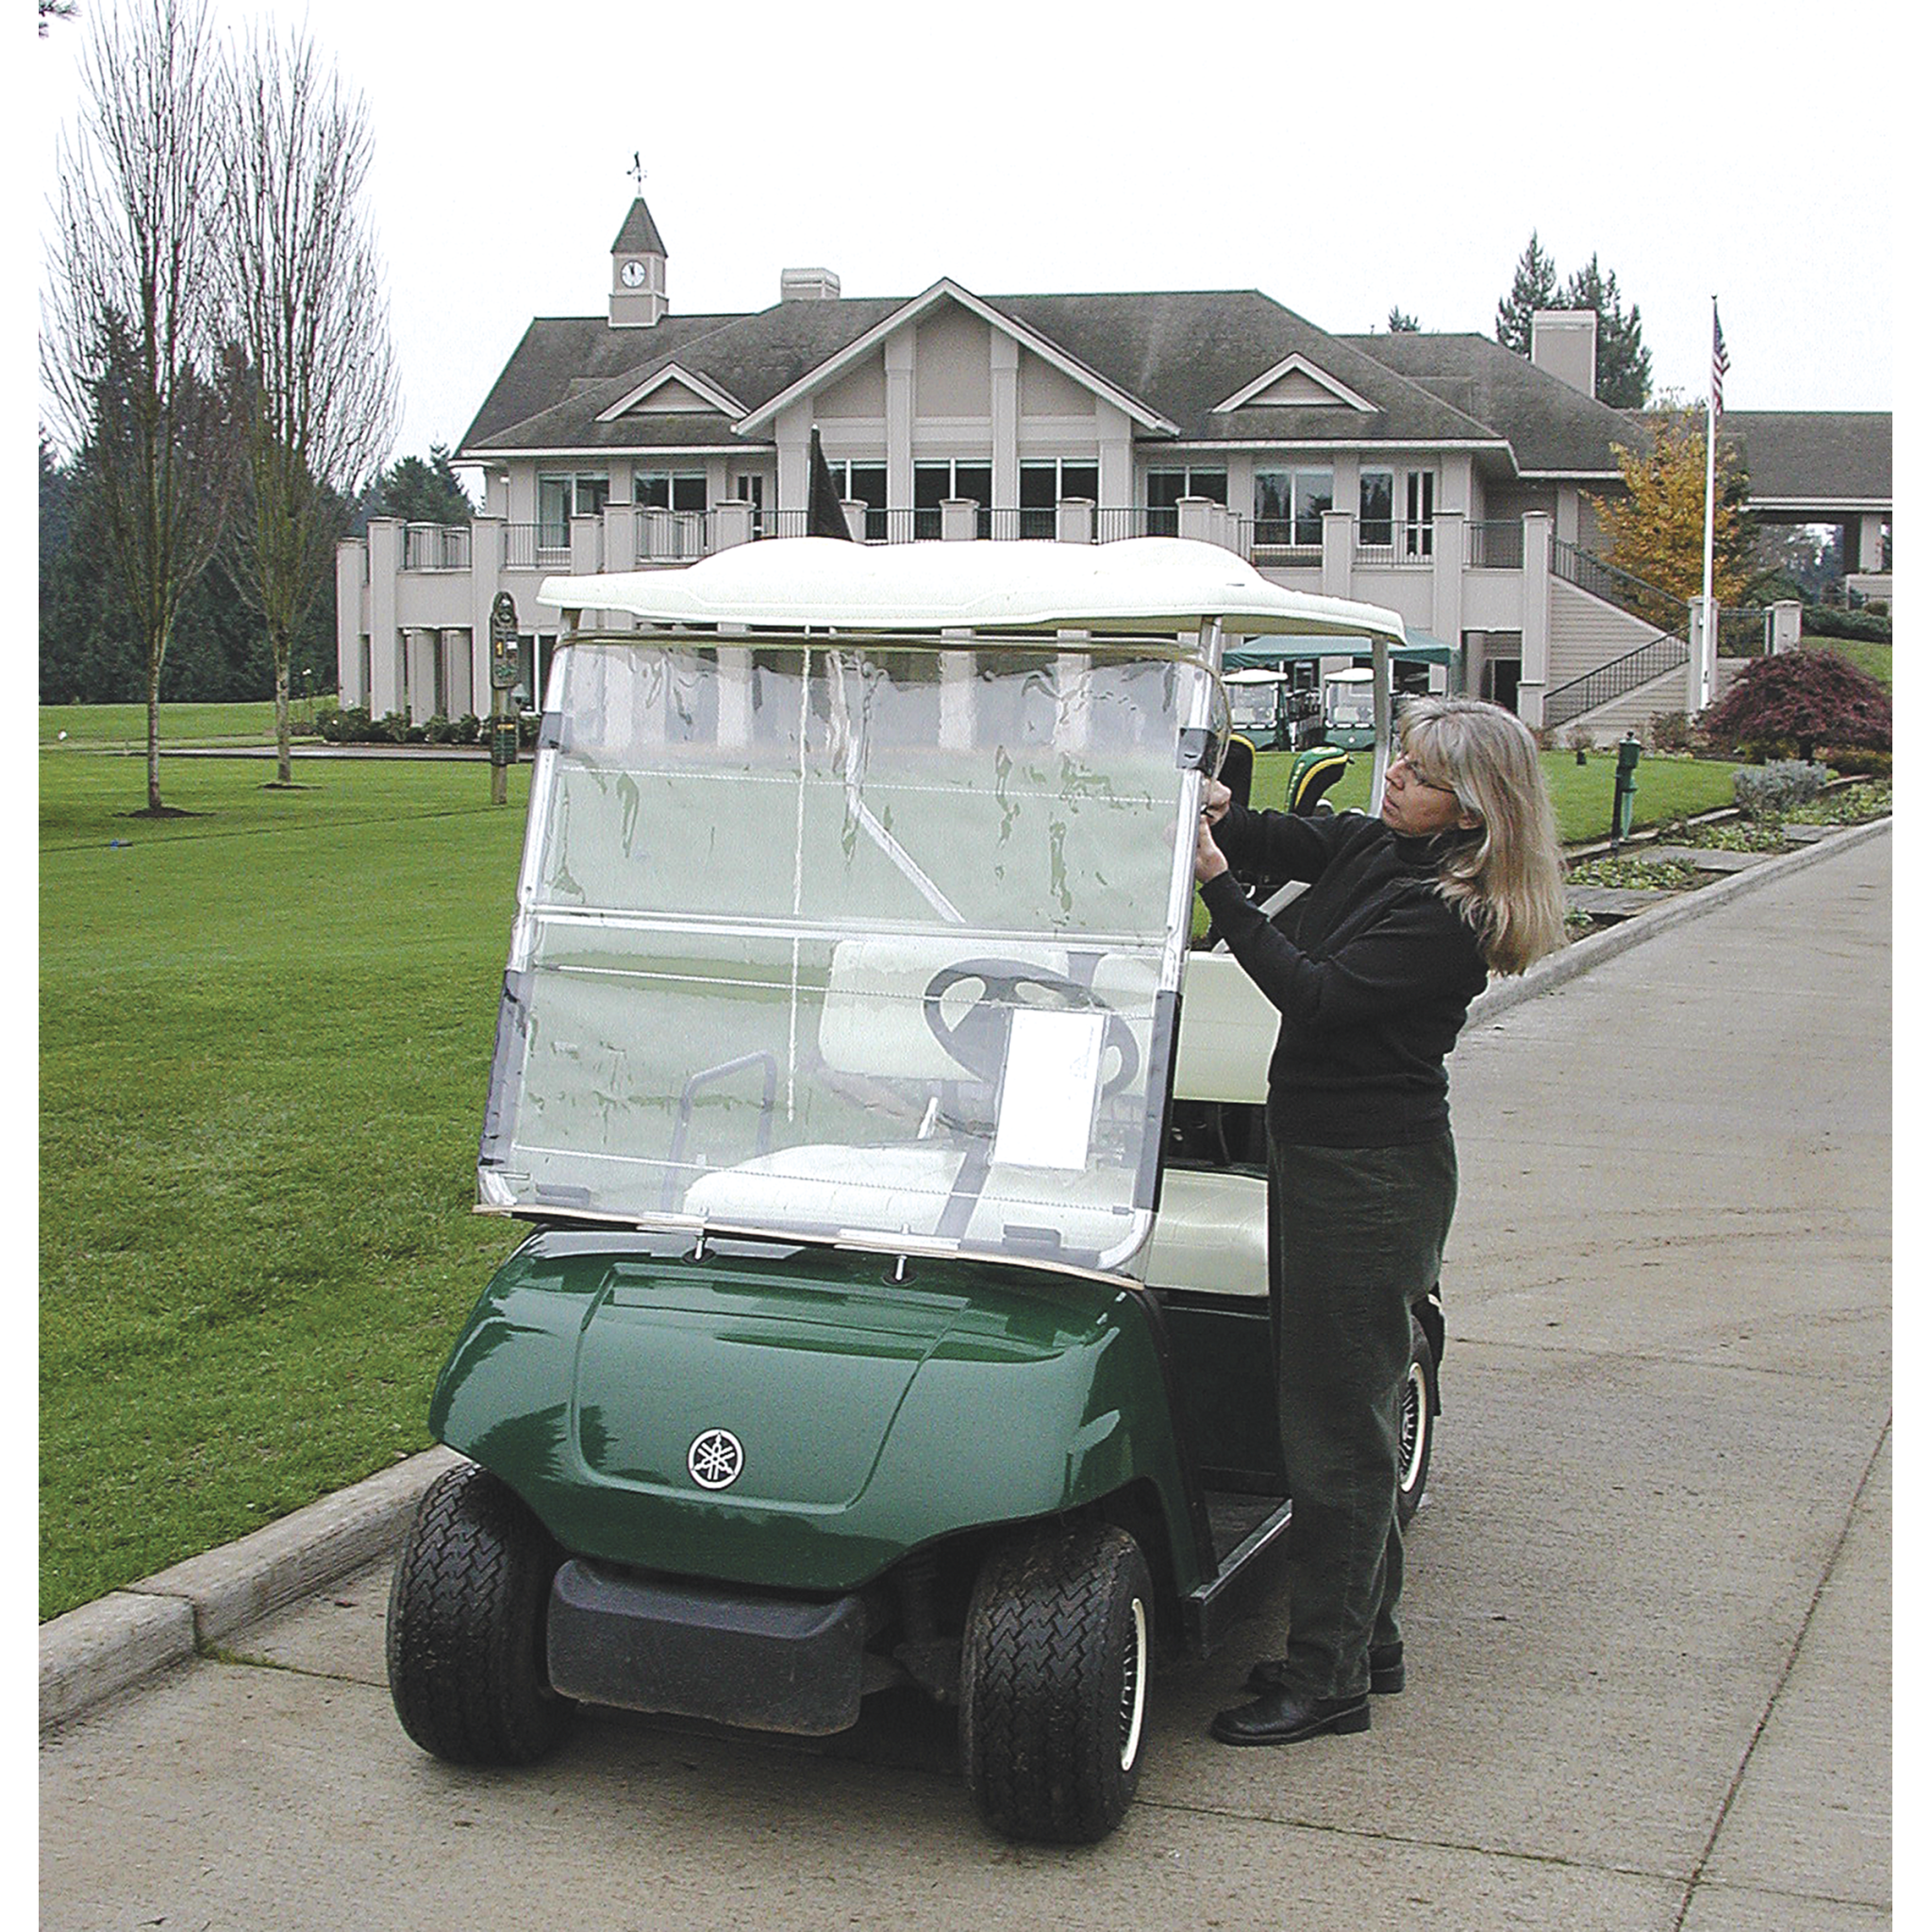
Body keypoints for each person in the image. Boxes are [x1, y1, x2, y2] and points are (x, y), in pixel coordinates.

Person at [1194, 691, 1567, 1746]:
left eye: (1418, 773)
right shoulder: (1381, 849)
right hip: (1330, 1158)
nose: (1392, 777)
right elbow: (1280, 831)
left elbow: (1310, 993)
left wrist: (1222, 891)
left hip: (1369, 1177)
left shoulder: (1447, 915)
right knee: (1343, 1410)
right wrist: (1218, 806)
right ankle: (1369, 1639)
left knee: (1334, 1430)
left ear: (1470, 810)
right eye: (1399, 759)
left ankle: (1327, 1681)